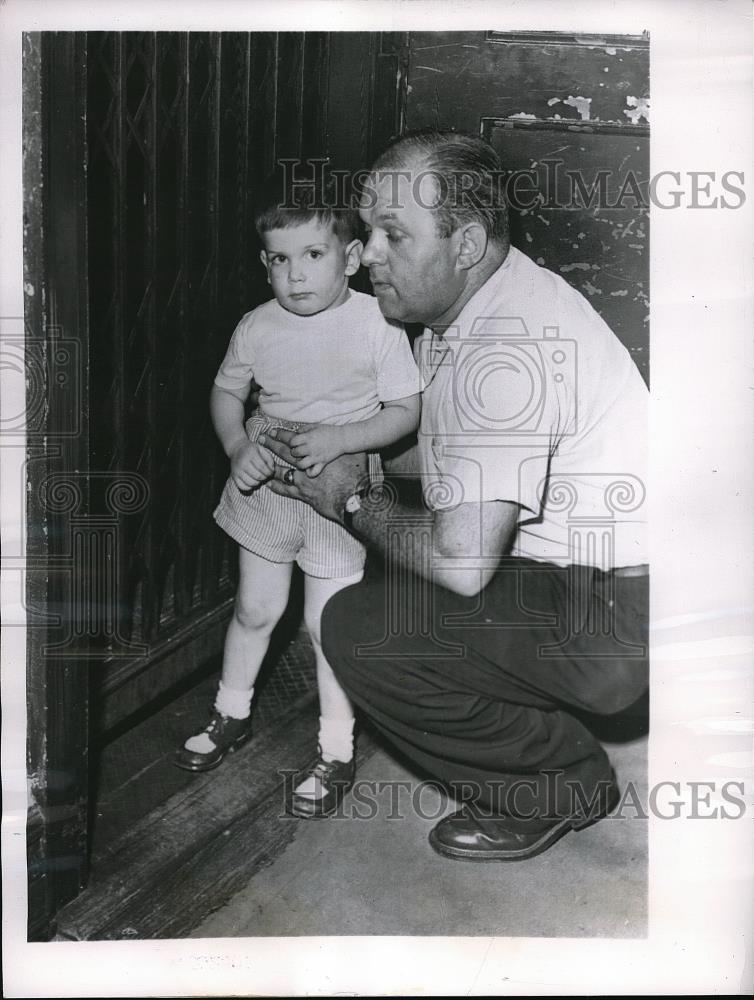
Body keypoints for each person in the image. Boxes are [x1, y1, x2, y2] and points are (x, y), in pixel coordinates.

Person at [262, 129, 649, 860]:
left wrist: (350, 499)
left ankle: (559, 781)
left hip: (623, 615)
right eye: (368, 228)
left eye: (392, 236)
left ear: (465, 243)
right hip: (593, 573)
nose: (365, 253)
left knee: (356, 625)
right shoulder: (463, 305)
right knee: (393, 562)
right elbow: (440, 446)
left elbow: (465, 563)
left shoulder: (507, 346)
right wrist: (333, 440)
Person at [174, 167, 422, 820]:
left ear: (350, 257)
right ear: (265, 265)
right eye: (281, 260)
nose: (297, 275)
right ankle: (232, 713)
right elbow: (227, 392)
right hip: (267, 485)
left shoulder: (378, 323)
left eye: (313, 256)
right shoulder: (258, 325)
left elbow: (404, 411)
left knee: (324, 626)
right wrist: (236, 448)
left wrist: (343, 439)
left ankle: (336, 750)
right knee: (256, 610)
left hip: (337, 492)